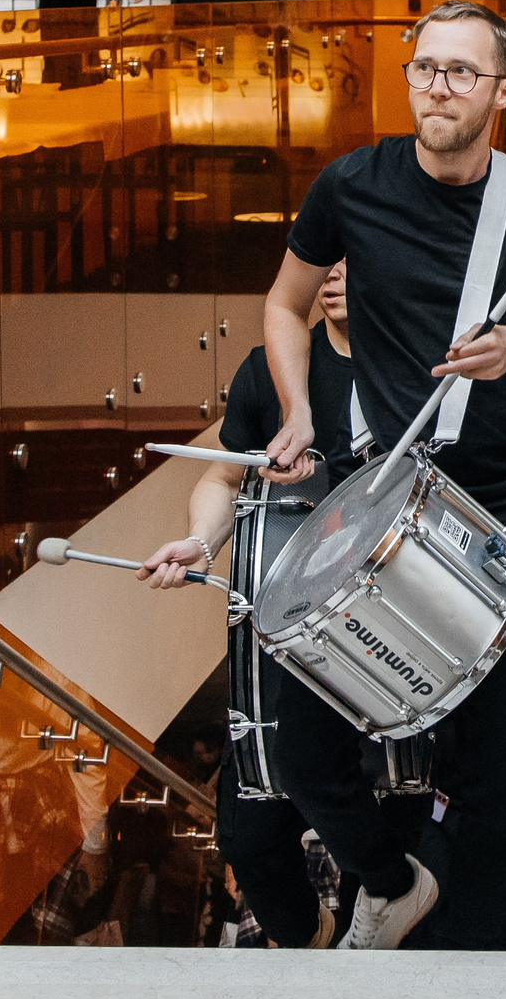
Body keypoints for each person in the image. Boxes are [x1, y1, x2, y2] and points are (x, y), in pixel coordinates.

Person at [257, 0, 506, 950]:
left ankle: (496, 967)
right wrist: (297, 409)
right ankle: (388, 879)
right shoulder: (351, 184)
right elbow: (286, 307)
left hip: (498, 502)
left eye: (460, 71)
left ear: (504, 89)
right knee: (305, 747)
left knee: (499, 778)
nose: (436, 86)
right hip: (380, 496)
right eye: (423, 68)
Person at [140, 258, 359, 949]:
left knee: (374, 825)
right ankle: (312, 938)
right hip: (280, 640)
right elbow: (221, 477)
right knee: (247, 829)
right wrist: (202, 544)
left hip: (373, 637)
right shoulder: (268, 368)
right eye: (324, 261)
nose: (335, 275)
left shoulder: (411, 363)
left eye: (354, 259)